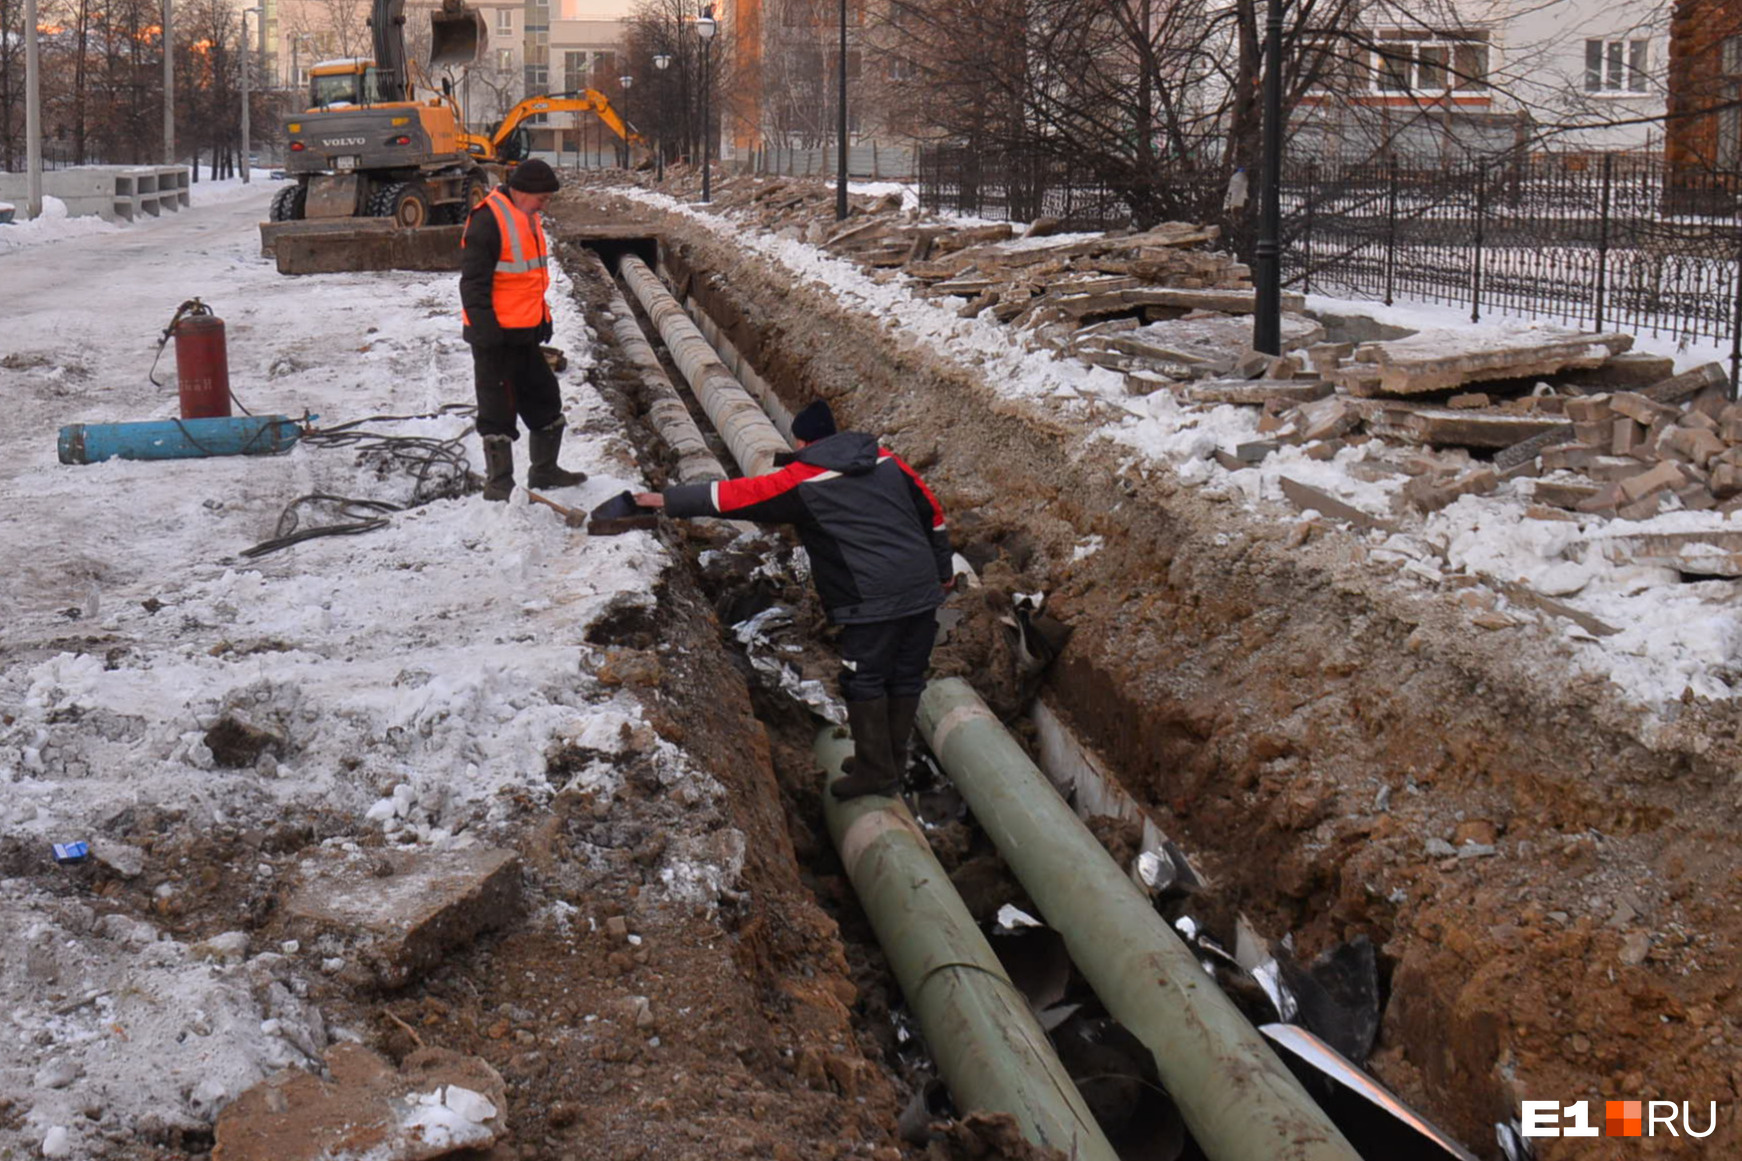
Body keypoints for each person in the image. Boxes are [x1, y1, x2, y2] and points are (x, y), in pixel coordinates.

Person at [634, 400, 952, 799]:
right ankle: (887, 761)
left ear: (801, 439)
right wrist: (943, 572)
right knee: (906, 674)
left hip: (871, 596)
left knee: (865, 677)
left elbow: (738, 496)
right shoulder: (887, 459)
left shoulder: (803, 479)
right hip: (921, 584)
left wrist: (667, 499)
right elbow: (933, 514)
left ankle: (876, 772)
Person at [460, 157, 586, 502]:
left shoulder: (527, 218)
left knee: (545, 400)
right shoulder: (487, 220)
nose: (545, 205)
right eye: (542, 198)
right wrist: (485, 331)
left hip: (525, 333)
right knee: (497, 410)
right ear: (519, 190)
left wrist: (542, 317)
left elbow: (529, 279)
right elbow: (473, 284)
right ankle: (499, 483)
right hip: (495, 337)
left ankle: (544, 470)